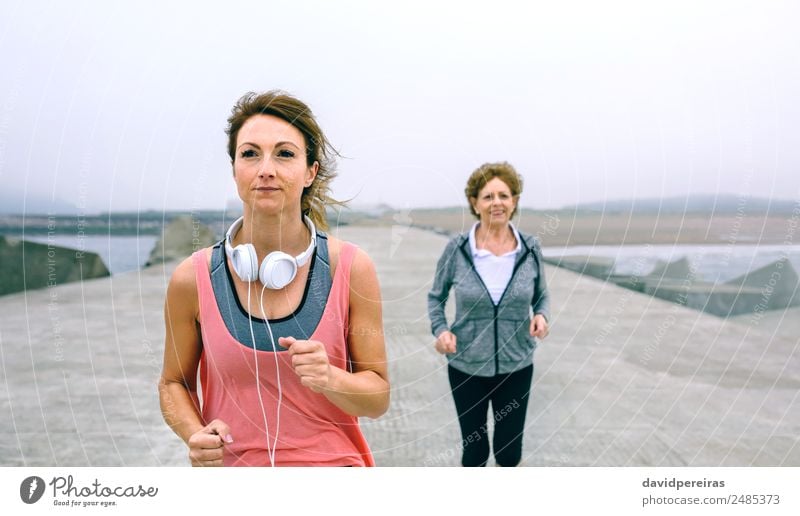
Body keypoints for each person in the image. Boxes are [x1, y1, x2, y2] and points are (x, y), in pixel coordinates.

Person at [158, 91, 389, 466]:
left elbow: (377, 398)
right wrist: (193, 431)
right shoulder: (192, 278)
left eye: (284, 153)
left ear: (310, 171)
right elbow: (173, 383)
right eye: (250, 153)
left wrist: (331, 378)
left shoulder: (349, 267)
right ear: (235, 170)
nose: (266, 168)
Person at [427, 162, 550, 467]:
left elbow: (542, 295)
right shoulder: (457, 249)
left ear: (514, 201)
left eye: (504, 195)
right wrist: (441, 331)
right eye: (488, 196)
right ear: (475, 203)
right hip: (466, 366)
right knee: (475, 451)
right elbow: (435, 298)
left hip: (517, 365)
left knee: (509, 453)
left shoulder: (531, 248)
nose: (497, 202)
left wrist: (542, 316)